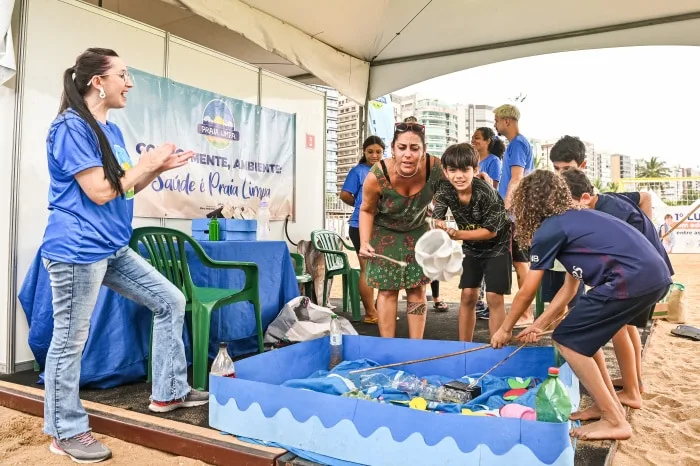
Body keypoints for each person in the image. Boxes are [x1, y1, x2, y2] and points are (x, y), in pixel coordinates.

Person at [40, 48, 206, 463]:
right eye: (123, 75)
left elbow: (125, 187)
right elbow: (98, 192)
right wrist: (147, 162)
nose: (129, 83)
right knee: (70, 340)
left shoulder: (110, 130)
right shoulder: (71, 127)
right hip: (78, 249)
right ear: (98, 81)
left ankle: (168, 393)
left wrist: (155, 169)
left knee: (170, 300)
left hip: (112, 247)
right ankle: (65, 431)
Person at [491, 170, 672, 441]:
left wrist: (504, 329)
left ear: (529, 205)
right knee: (582, 337)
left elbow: (527, 291)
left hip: (631, 279)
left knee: (568, 340)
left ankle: (614, 420)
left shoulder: (550, 229)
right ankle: (605, 406)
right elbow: (569, 288)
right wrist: (538, 325)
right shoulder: (576, 221)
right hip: (650, 275)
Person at [561, 169, 674, 410]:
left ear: (584, 196)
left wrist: (647, 234)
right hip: (650, 269)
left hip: (640, 275)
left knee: (619, 328)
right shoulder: (609, 198)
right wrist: (648, 230)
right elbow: (644, 197)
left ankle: (632, 391)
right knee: (628, 327)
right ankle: (634, 381)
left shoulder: (604, 214)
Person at [358, 121, 444, 338]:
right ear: (393, 149)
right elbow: (367, 210)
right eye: (402, 148)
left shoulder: (435, 168)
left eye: (414, 148)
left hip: (418, 230)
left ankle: (416, 344)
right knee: (387, 290)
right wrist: (364, 242)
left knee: (417, 289)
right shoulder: (377, 175)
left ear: (423, 151)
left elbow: (454, 188)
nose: (408, 154)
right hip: (384, 231)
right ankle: (388, 345)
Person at [433, 143, 511, 341]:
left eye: (465, 169)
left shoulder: (487, 192)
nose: (458, 176)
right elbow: (437, 217)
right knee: (468, 295)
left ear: (476, 170)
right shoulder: (444, 190)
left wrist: (457, 235)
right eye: (452, 170)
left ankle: (497, 346)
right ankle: (463, 347)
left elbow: (490, 232)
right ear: (445, 171)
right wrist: (439, 225)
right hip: (471, 247)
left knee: (494, 297)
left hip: (497, 246)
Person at [493, 104, 534, 327]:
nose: (495, 124)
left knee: (521, 263)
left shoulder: (517, 143)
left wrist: (507, 206)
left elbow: (517, 178)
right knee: (520, 262)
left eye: (497, 120)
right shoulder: (516, 144)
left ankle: (526, 315)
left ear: (507, 121)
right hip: (517, 209)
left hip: (515, 211)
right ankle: (525, 313)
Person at [340, 136, 383, 323]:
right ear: (364, 152)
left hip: (382, 226)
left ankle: (381, 311)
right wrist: (361, 206)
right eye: (370, 151)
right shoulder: (358, 171)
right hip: (360, 226)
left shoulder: (386, 170)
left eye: (378, 151)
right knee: (367, 269)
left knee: (381, 269)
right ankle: (370, 313)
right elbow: (344, 195)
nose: (374, 155)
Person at [470, 126, 506, 318]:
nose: (473, 141)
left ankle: (481, 302)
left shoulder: (493, 161)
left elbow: (494, 189)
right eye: (473, 137)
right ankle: (477, 301)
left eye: (477, 138)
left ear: (488, 141)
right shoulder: (473, 160)